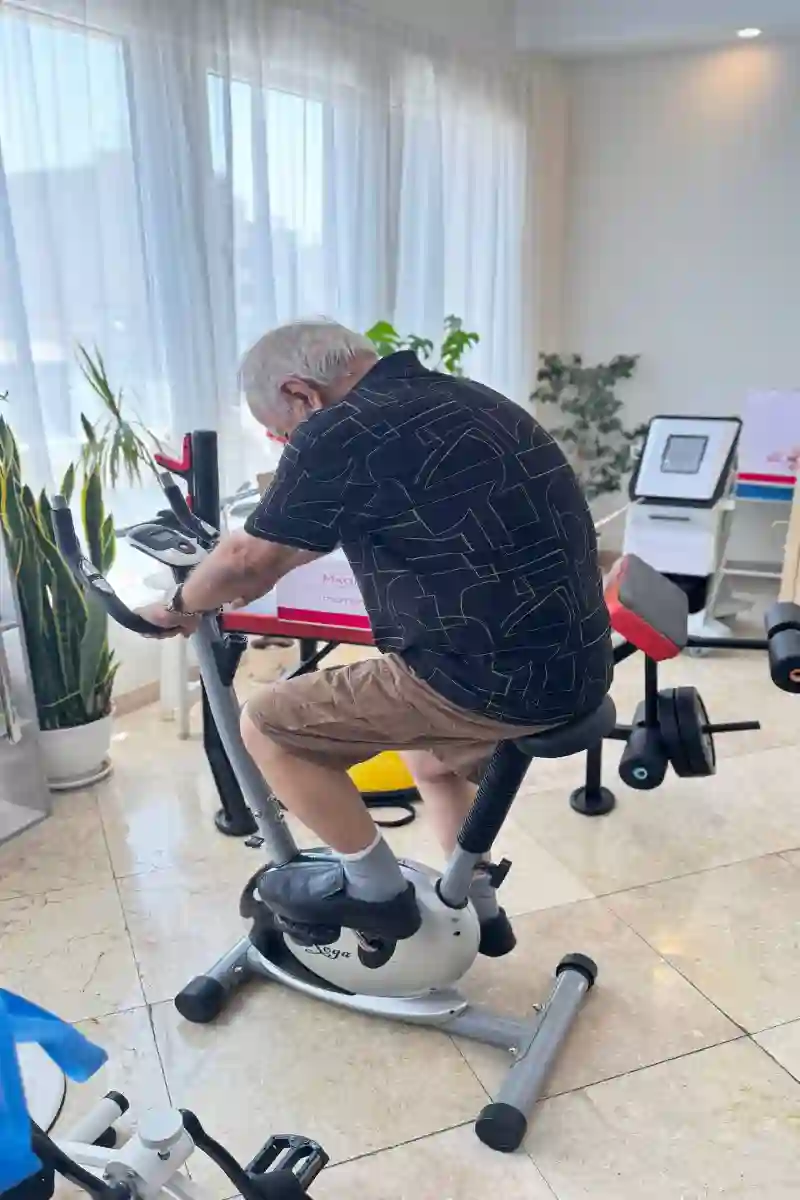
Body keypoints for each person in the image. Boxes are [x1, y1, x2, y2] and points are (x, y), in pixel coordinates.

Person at [137, 320, 612, 953]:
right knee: (429, 761)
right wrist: (251, 571)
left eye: (282, 433)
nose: (287, 444)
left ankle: (375, 891)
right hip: (576, 666)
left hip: (486, 681)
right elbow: (328, 525)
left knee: (266, 724)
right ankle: (477, 901)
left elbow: (248, 559)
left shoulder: (340, 427)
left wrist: (179, 604)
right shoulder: (464, 397)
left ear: (300, 394)